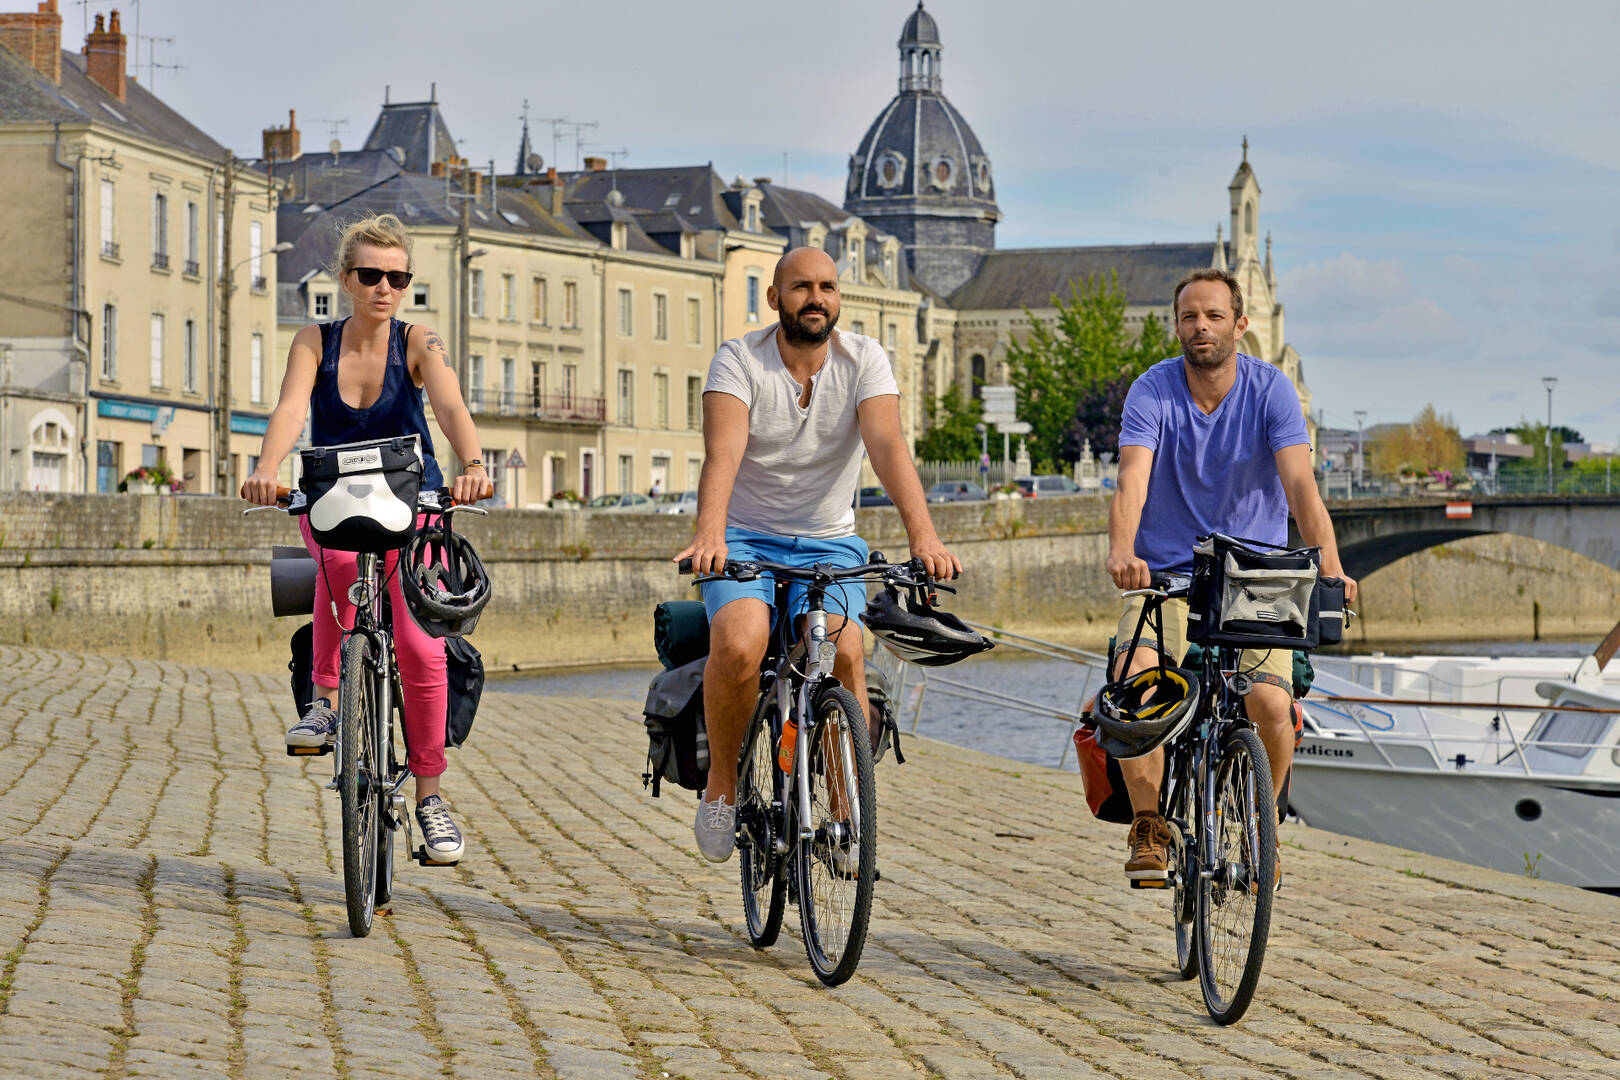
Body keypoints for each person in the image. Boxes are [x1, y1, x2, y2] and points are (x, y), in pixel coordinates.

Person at [676, 246, 960, 862]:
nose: (816, 297)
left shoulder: (865, 360)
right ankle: (721, 789)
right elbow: (722, 453)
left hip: (830, 540)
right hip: (748, 535)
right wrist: (711, 533)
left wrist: (924, 538)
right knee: (740, 640)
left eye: (828, 286)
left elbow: (887, 445)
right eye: (801, 286)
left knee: (845, 650)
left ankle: (842, 806)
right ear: (775, 297)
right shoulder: (739, 360)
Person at [241, 212, 489, 864]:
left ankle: (431, 798)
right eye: (372, 275)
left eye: (398, 277)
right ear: (347, 278)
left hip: (415, 504)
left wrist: (474, 466)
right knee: (343, 568)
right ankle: (324, 703)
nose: (385, 288)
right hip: (333, 497)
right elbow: (292, 410)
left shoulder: (419, 341)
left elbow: (452, 407)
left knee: (419, 644)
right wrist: (266, 470)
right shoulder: (313, 342)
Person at [1105, 267, 1359, 886]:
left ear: (1240, 325)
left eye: (1214, 316)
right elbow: (1133, 475)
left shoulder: (1270, 391)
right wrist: (1121, 549)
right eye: (1190, 316)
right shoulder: (1154, 389)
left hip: (1257, 578)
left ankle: (1263, 821)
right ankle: (1149, 826)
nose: (1201, 327)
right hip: (1168, 577)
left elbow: (1299, 484)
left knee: (1269, 701)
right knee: (1136, 682)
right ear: (1177, 326)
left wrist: (1330, 563)